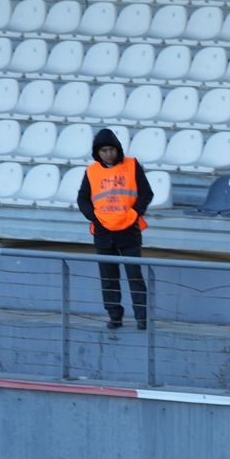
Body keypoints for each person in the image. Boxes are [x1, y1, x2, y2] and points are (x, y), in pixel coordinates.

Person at [77, 125, 152, 331]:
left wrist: (134, 213)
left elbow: (146, 193)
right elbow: (82, 199)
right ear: (97, 153)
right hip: (103, 231)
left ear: (118, 149)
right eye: (103, 151)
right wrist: (95, 217)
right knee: (108, 278)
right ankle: (114, 315)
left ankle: (142, 317)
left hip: (129, 230)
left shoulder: (131, 165)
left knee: (134, 276)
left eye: (111, 149)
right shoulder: (91, 171)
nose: (108, 154)